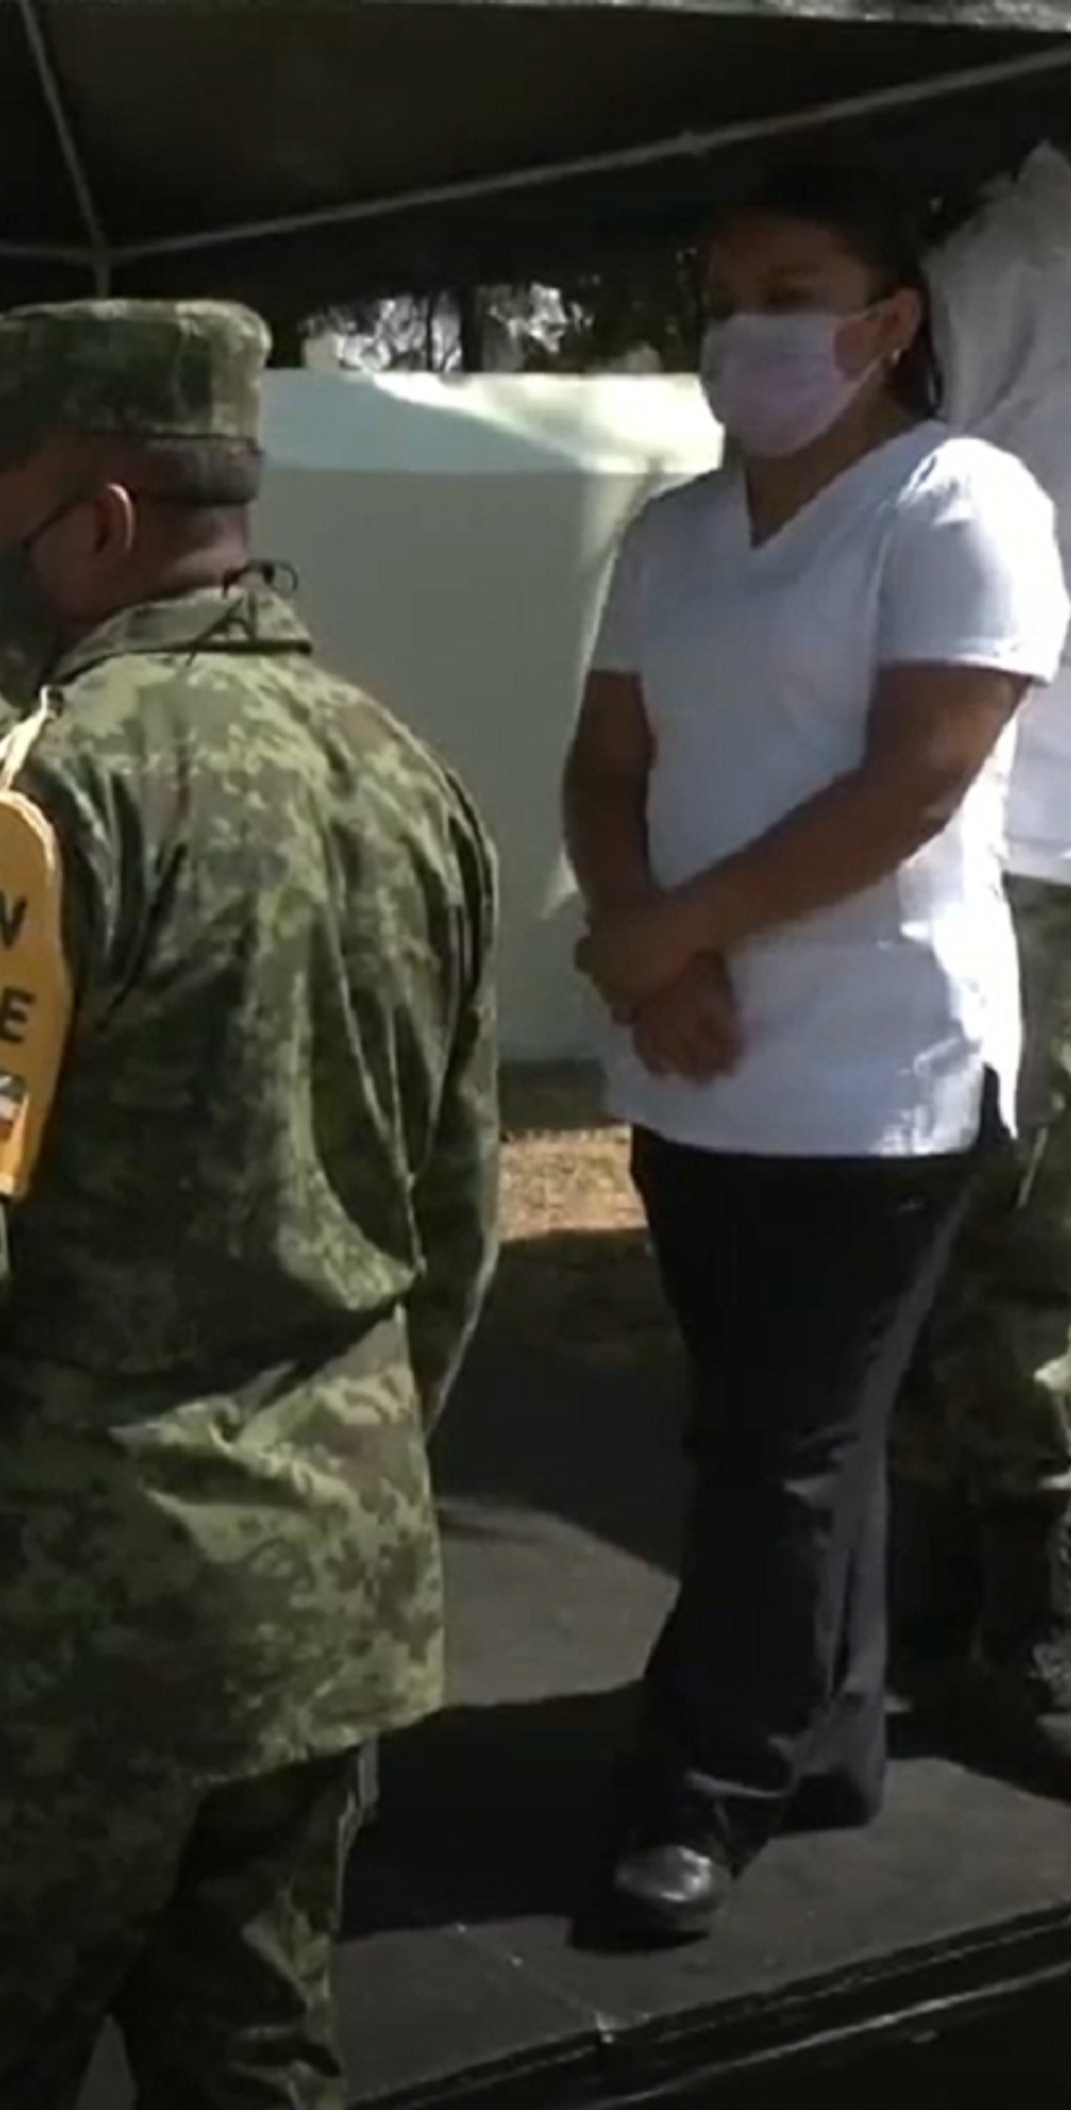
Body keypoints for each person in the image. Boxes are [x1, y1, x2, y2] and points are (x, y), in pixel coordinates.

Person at [0, 298, 500, 2108]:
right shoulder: (407, 778)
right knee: (255, 2061)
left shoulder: (31, 803)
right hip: (321, 1608)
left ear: (98, 522)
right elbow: (458, 1220)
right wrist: (334, 1491)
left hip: (59, 1644)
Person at [561, 159, 1071, 1945]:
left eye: (791, 296)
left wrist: (675, 933)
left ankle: (705, 1782)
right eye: (724, 300)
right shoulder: (676, 538)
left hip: (880, 1070)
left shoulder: (961, 501)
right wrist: (650, 946)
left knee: (776, 1439)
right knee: (783, 1425)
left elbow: (916, 779)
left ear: (889, 321)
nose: (746, 334)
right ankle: (829, 1730)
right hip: (697, 1061)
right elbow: (608, 765)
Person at [888, 169, 1071, 1788]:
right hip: (1028, 833)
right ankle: (1028, 1613)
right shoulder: (1010, 267)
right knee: (1024, 1240)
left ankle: (958, 1599)